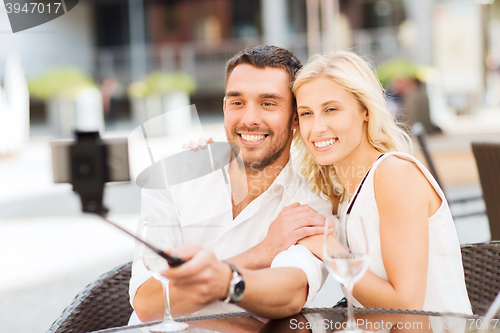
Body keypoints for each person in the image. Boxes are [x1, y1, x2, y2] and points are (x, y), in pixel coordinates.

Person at [165, 50, 472, 316]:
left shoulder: (393, 174)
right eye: (307, 113)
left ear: (365, 110)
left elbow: (406, 310)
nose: (317, 128)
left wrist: (331, 250)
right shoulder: (341, 187)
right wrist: (209, 156)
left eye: (331, 109)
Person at [129, 45, 334, 324]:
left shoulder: (310, 206)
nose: (249, 119)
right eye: (237, 102)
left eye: (268, 103)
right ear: (225, 107)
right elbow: (148, 304)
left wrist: (189, 297)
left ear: (296, 116)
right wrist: (262, 252)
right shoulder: (173, 177)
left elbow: (290, 296)